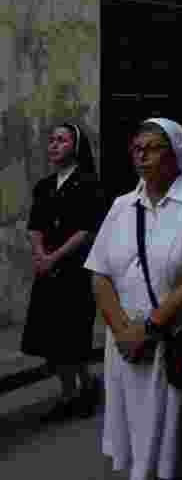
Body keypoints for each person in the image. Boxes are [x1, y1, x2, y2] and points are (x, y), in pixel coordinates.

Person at [86, 118, 182, 480]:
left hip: (170, 341)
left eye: (152, 147)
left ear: (177, 153)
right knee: (134, 440)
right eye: (137, 148)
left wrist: (148, 327)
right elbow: (99, 273)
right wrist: (122, 331)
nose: (142, 156)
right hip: (125, 346)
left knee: (174, 450)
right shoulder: (121, 206)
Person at [22, 122, 105, 422]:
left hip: (74, 271)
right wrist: (40, 255)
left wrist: (54, 257)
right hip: (48, 271)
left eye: (62, 140)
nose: (54, 145)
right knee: (51, 340)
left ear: (76, 147)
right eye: (52, 140)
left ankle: (77, 391)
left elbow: (86, 230)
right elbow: (34, 227)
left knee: (72, 337)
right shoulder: (43, 186)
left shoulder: (88, 183)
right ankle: (74, 389)